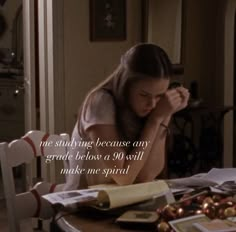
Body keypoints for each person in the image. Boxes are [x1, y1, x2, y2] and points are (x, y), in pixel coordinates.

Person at [64, 43, 190, 190]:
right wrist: (154, 121)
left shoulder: (147, 110)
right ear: (126, 85)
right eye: (144, 95)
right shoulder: (101, 103)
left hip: (121, 201)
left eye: (159, 96)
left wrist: (165, 115)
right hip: (83, 204)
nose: (152, 104)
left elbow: (146, 175)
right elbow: (124, 177)